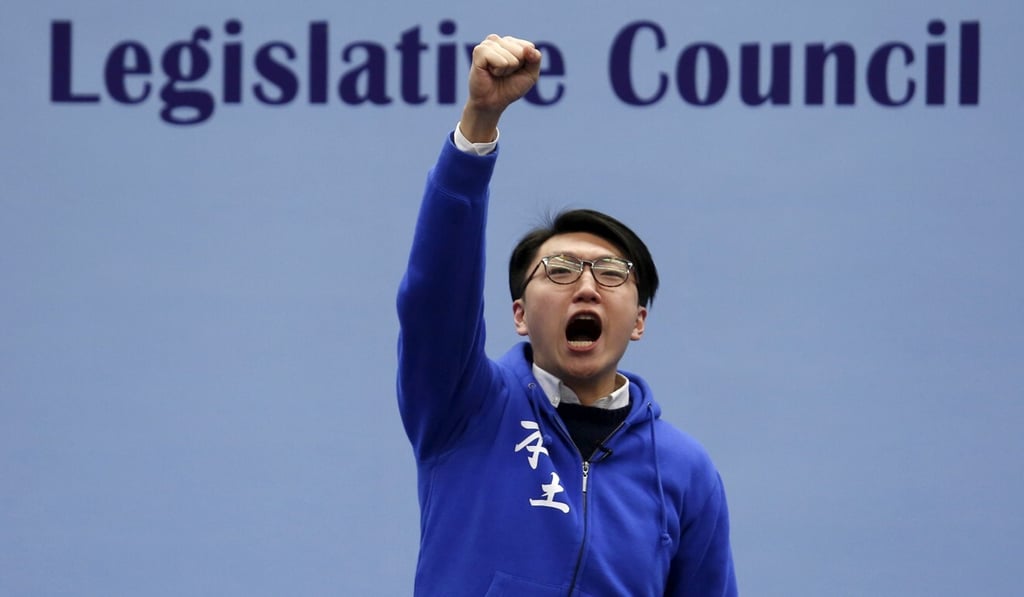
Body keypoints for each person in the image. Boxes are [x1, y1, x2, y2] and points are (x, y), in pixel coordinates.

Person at [397, 34, 737, 596]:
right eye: (558, 271)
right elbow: (434, 297)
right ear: (520, 315)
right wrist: (479, 125)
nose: (585, 286)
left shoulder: (685, 470)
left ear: (639, 321)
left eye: (611, 274)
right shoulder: (465, 407)